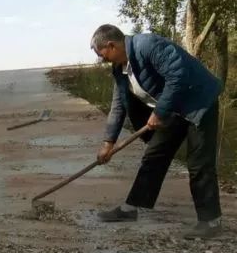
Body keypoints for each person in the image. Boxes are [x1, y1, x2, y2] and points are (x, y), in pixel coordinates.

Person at [90, 24, 223, 239]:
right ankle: (131, 208)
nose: (103, 59)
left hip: (198, 103)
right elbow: (118, 105)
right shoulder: (119, 69)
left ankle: (211, 221)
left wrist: (160, 111)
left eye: (102, 55)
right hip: (173, 109)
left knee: (199, 163)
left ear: (111, 45)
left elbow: (178, 75)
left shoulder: (147, 45)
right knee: (154, 155)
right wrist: (108, 142)